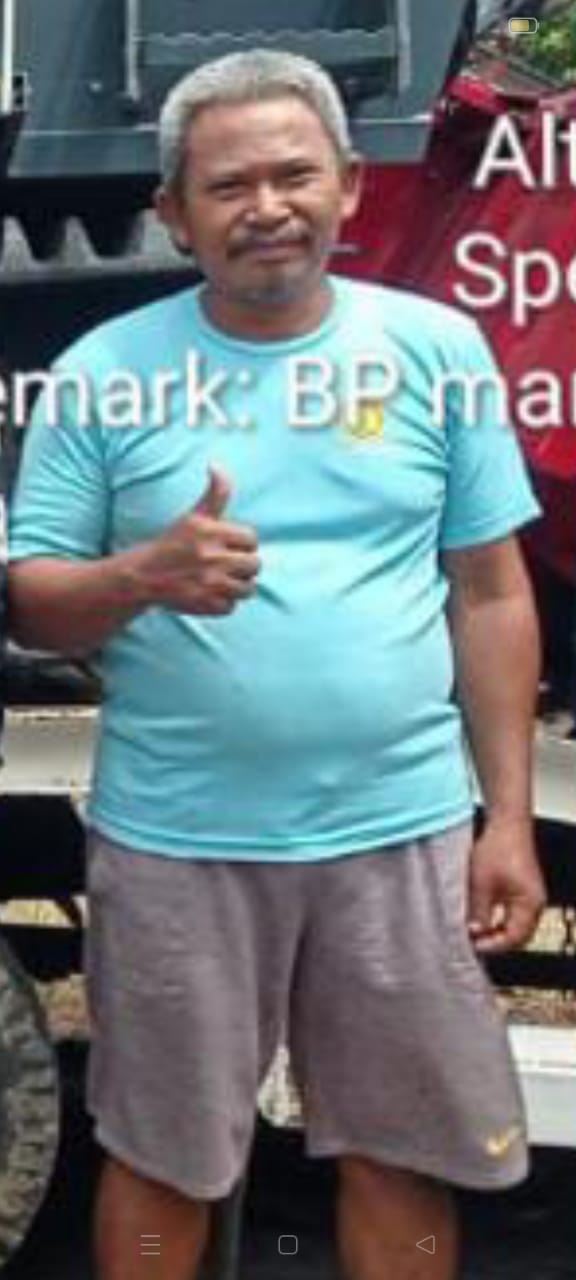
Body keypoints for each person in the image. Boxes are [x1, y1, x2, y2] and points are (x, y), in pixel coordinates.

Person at [7, 48, 545, 1280]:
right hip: (178, 842)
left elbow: (492, 590)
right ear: (172, 211)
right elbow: (33, 605)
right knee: (163, 1161)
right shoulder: (103, 375)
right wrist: (145, 575)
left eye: (294, 175)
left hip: (398, 835)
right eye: (229, 184)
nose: (267, 207)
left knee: (402, 1154)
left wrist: (507, 818)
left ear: (349, 185)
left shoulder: (437, 351)